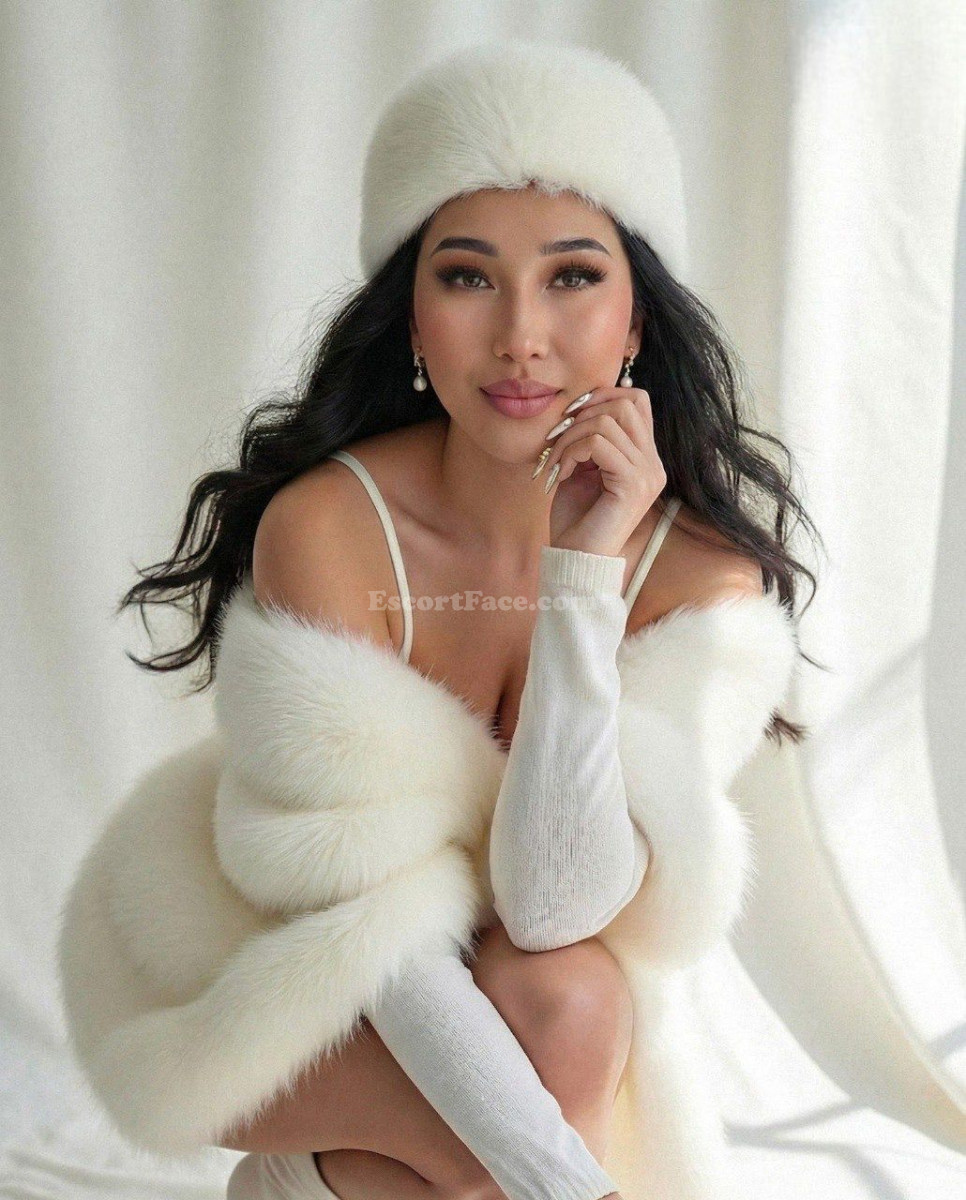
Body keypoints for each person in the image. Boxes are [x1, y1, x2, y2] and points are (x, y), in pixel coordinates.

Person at [58, 37, 820, 1200]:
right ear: (411, 320)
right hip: (263, 976)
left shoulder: (699, 587)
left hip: (521, 1001)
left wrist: (581, 576)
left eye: (573, 276)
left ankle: (311, 1186)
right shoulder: (330, 527)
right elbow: (382, 934)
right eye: (468, 277)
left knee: (568, 992)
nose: (521, 336)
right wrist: (571, 1184)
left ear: (636, 322)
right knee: (532, 1068)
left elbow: (553, 906)